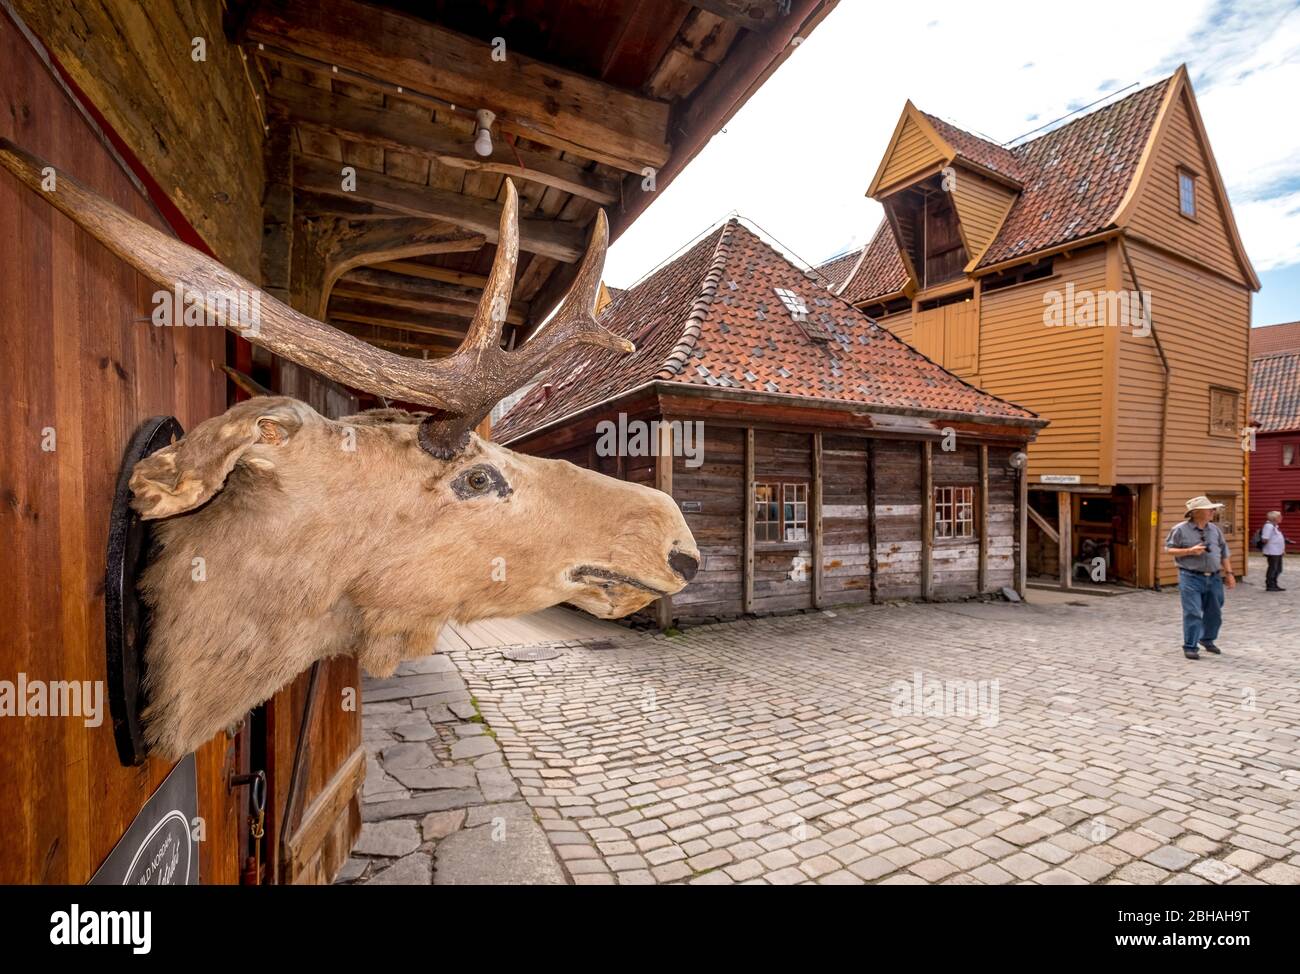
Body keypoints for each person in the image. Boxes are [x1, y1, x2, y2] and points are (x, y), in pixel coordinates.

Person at [1165, 496, 1235, 660]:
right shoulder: (1180, 529)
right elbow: (1168, 549)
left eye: (1212, 508)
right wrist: (1189, 551)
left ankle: (1207, 639)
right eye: (1209, 509)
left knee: (1214, 612)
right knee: (1193, 612)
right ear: (1196, 512)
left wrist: (1229, 574)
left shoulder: (1215, 529)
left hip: (1214, 577)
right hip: (1190, 577)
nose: (1213, 511)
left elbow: (1224, 552)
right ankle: (1190, 646)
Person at [1261, 510, 1287, 592]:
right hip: (1272, 551)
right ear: (1274, 518)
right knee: (1273, 568)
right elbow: (1265, 538)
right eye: (1279, 516)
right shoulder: (1268, 526)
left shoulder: (1274, 526)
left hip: (1277, 551)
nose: (1281, 518)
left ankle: (1274, 584)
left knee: (1278, 569)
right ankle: (1270, 585)